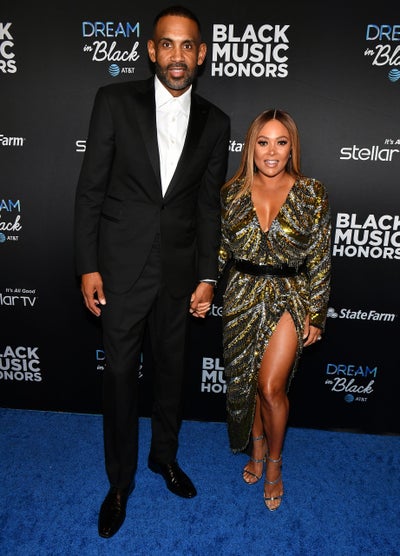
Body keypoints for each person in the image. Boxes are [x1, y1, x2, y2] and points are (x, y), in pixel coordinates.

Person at [74, 5, 230, 538]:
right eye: (167, 43)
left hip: (180, 272)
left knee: (170, 372)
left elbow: (208, 207)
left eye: (187, 45)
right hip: (120, 267)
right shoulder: (114, 101)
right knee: (120, 375)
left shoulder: (216, 122)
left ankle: (164, 457)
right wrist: (88, 265)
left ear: (201, 54)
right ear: (151, 50)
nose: (177, 55)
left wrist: (207, 276)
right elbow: (90, 190)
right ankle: (119, 484)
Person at [218, 109, 331, 511]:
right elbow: (221, 251)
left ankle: (275, 464)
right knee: (248, 382)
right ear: (251, 147)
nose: (271, 152)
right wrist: (204, 286)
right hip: (241, 294)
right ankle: (257, 446)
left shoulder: (312, 192)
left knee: (270, 387)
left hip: (290, 295)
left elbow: (320, 257)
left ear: (291, 148)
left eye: (281, 142)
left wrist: (317, 312)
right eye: (263, 142)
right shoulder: (231, 192)